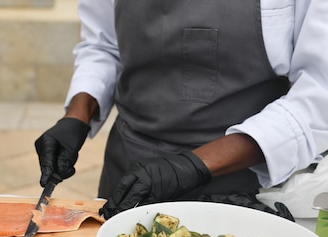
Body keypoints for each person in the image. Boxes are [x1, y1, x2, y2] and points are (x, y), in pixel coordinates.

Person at [34, 0, 328, 219]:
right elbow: (104, 46)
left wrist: (194, 164)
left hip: (243, 186)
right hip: (128, 173)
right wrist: (77, 115)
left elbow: (319, 94)